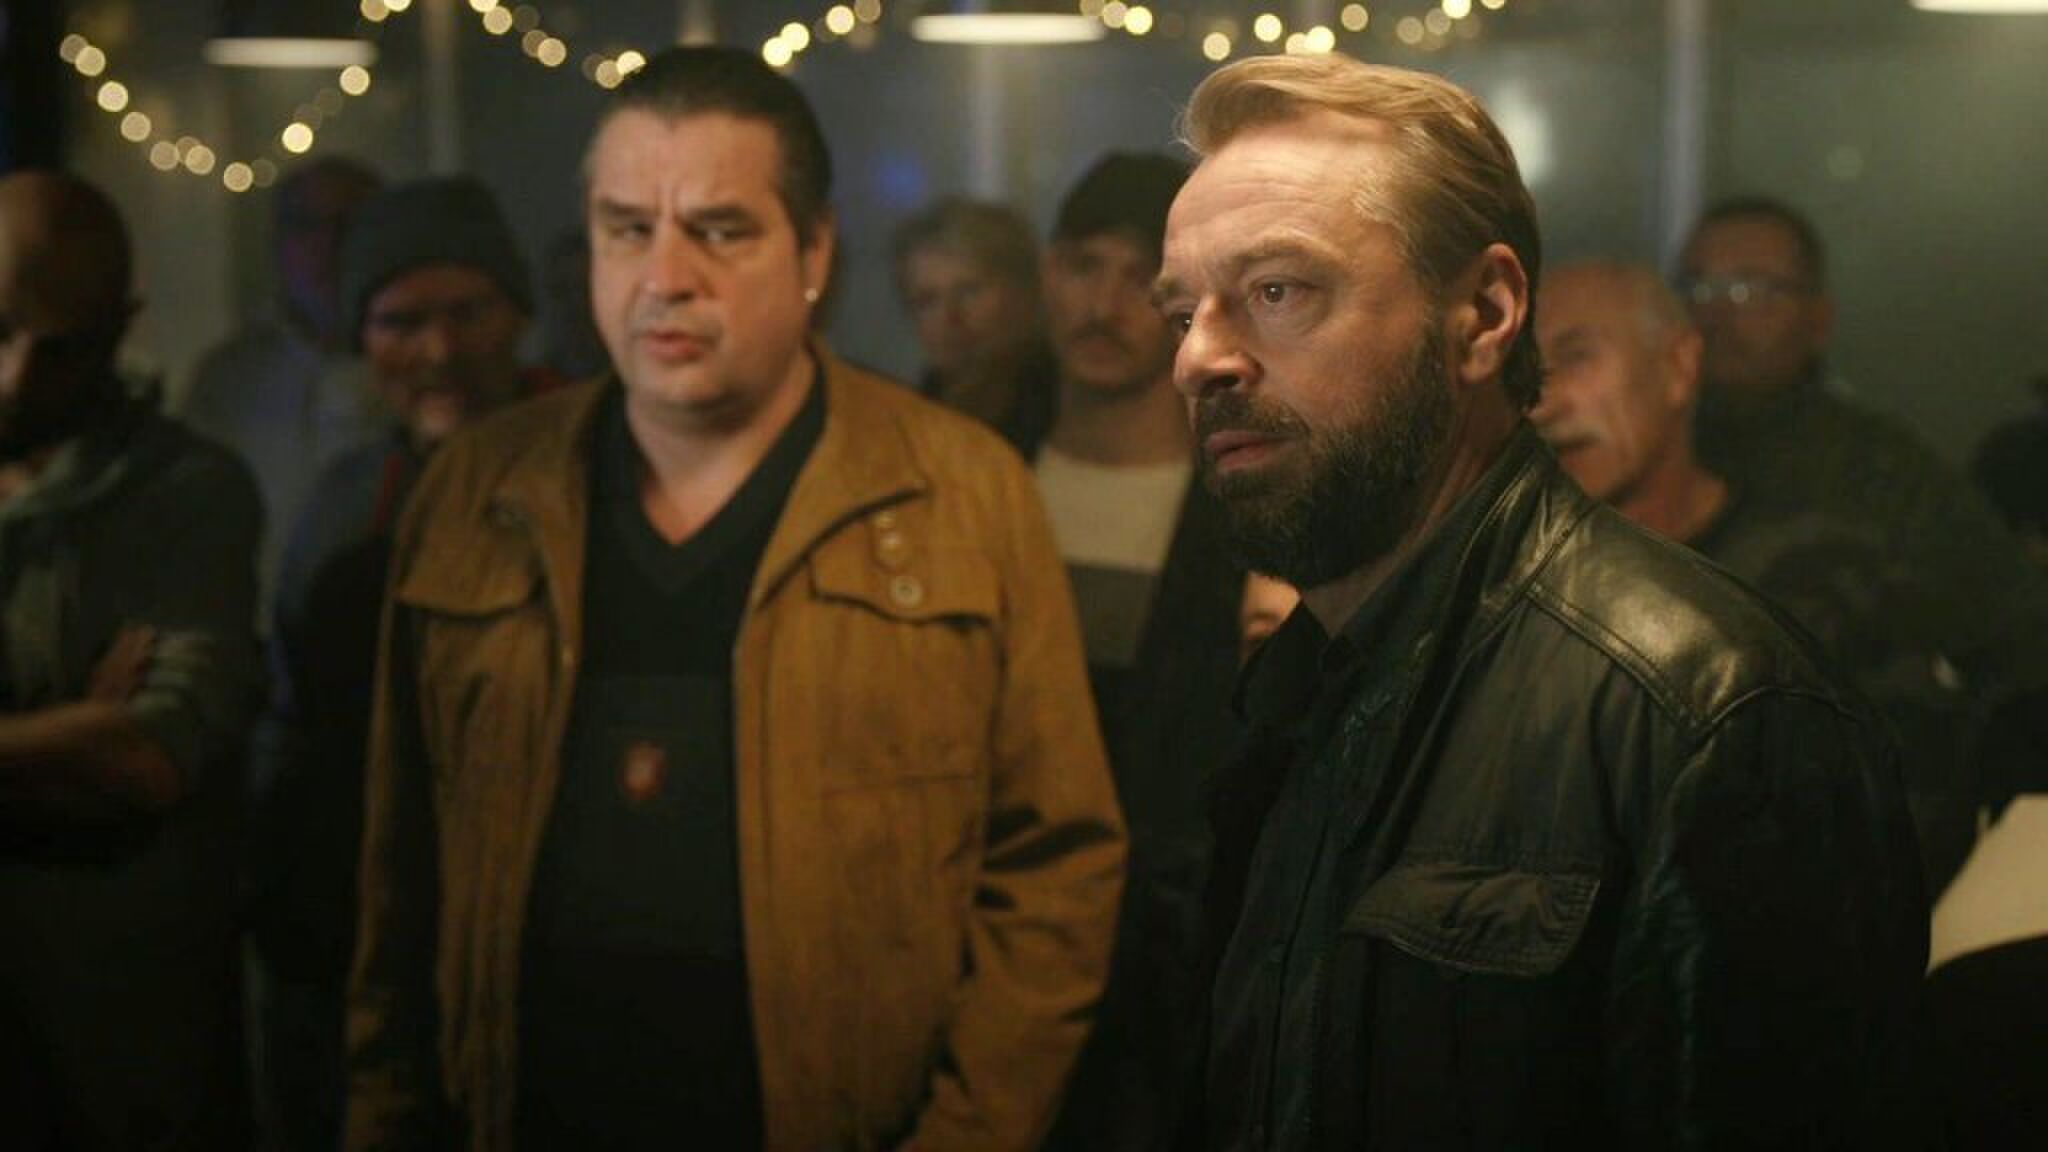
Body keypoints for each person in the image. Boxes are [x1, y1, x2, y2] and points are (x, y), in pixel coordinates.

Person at [344, 46, 1123, 1152]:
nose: (666, 277)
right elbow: (399, 882)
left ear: (813, 251)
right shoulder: (479, 492)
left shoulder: (961, 492)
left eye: (719, 231)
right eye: (627, 229)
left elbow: (1054, 871)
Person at [1156, 55, 1931, 1148]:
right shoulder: (1299, 682)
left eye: (1278, 291)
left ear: (1483, 314)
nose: (1200, 358)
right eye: (1181, 312)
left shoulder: (1706, 711)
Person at [1532, 260, 2003, 892]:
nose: (1542, 400)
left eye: (1575, 356)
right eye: (1523, 371)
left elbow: (1913, 807)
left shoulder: (1819, 575)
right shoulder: (1510, 588)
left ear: (1678, 366)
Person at [251, 176, 545, 1152]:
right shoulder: (344, 507)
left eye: (468, 313)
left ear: (517, 316)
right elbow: (300, 735)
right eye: (400, 322)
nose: (439, 352)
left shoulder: (601, 471)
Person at [0, 171, 263, 1150]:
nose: (17, 378)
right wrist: (60, 731)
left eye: (60, 348)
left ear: (117, 330)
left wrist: (103, 744)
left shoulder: (183, 492)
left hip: (116, 1061)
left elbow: (141, 760)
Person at [1030, 152, 1242, 1152]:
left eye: (1139, 280)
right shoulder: (975, 470)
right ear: (1047, 274)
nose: (1104, 306)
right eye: (1084, 266)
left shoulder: (1242, 504)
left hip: (1170, 968)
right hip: (998, 936)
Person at [1680, 197, 2048, 714]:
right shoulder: (1637, 450)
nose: (1716, 313)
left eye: (1753, 289)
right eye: (1697, 286)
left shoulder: (1884, 470)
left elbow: (2013, 634)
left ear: (1818, 319)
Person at [178, 156, 386, 600]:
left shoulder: (425, 373)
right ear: (279, 244)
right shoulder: (229, 380)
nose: (329, 245)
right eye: (307, 226)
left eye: (349, 225)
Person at [891, 194, 1056, 452]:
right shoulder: (906, 422)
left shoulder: (1068, 408)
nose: (950, 318)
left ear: (1023, 290)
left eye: (970, 291)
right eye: (927, 301)